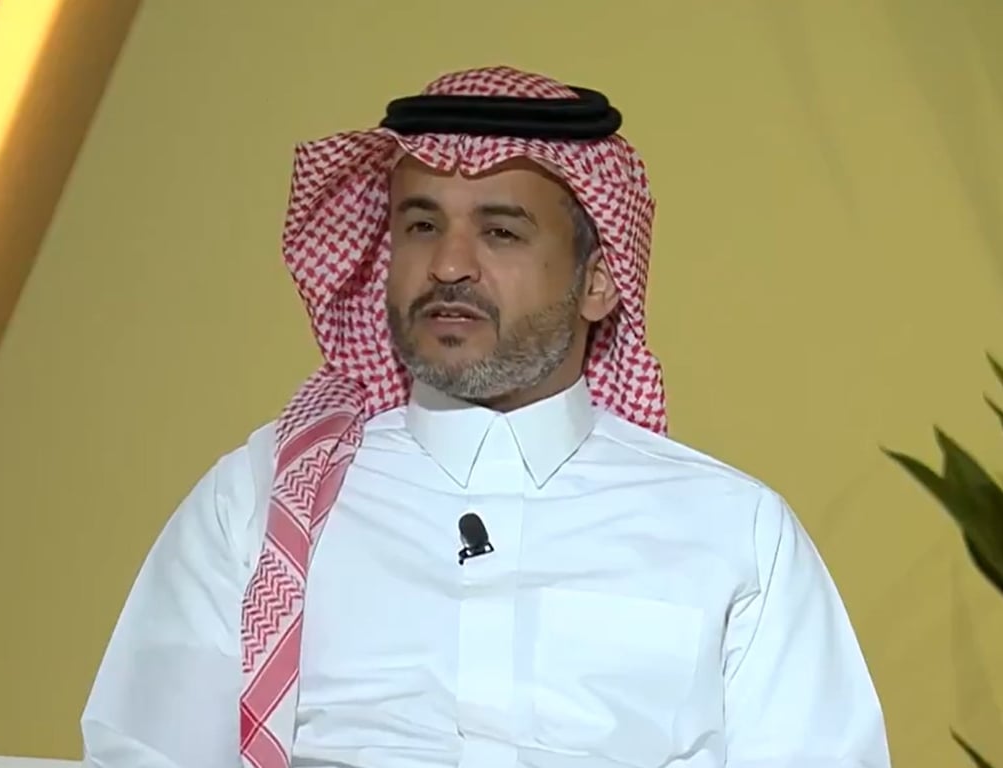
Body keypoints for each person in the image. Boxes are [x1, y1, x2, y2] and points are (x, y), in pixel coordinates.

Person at [80, 66, 891, 768]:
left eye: (500, 232)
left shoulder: (733, 530)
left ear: (598, 282)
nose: (447, 265)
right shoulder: (264, 502)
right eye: (420, 225)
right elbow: (145, 751)